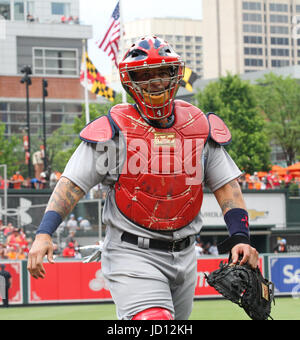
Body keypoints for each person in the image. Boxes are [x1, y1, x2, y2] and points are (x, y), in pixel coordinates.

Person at [27, 36, 259, 320]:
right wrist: (43, 233)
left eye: (162, 72)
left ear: (175, 75)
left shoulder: (199, 127)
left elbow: (227, 187)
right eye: (145, 75)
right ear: (130, 81)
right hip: (132, 251)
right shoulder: (113, 132)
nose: (154, 82)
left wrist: (240, 237)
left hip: (186, 254)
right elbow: (72, 184)